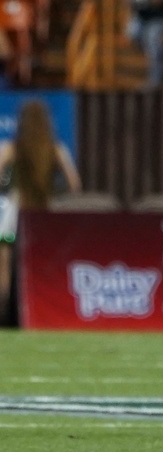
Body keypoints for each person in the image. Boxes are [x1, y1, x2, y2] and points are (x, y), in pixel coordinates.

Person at [0, 99, 81, 325]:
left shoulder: (10, 148)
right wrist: (53, 191)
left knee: (4, 260)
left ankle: (6, 311)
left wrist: (9, 188)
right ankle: (46, 307)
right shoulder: (56, 149)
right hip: (45, 215)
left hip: (13, 215)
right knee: (45, 262)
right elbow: (74, 184)